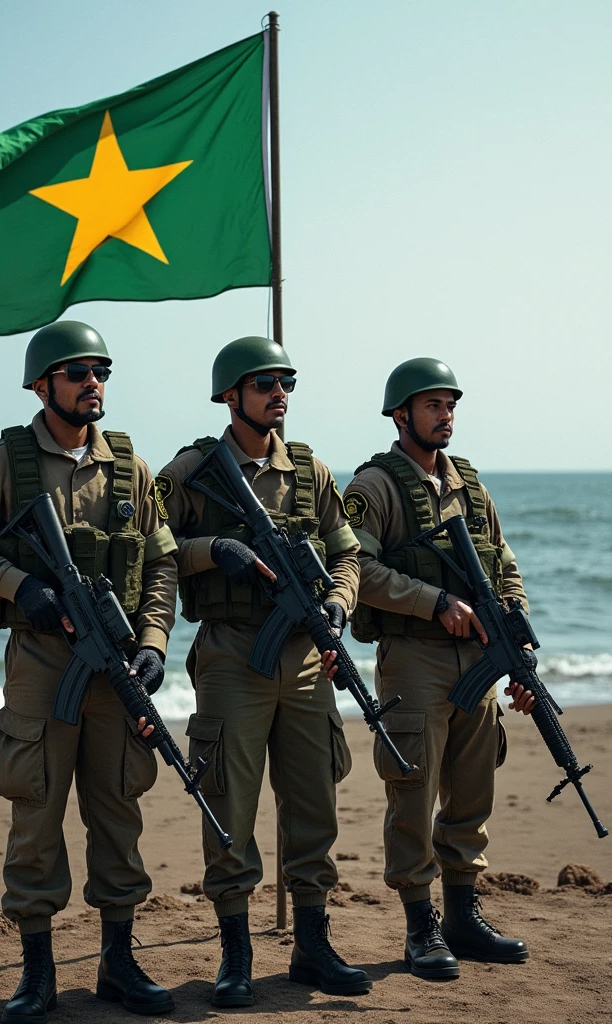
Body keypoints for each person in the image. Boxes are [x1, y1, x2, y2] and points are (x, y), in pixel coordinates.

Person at [0, 320, 179, 1020]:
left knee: (119, 810)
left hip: (116, 668)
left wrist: (154, 640)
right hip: (43, 669)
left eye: (100, 371)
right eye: (77, 372)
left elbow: (161, 561)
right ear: (42, 386)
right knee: (36, 814)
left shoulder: (130, 467)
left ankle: (118, 962)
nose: (92, 382)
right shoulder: (5, 463)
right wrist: (19, 587)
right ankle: (36, 972)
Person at [155, 336, 371, 1006]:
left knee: (314, 802)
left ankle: (312, 944)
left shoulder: (311, 469)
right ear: (230, 395)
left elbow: (348, 554)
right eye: (264, 383)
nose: (279, 394)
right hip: (230, 657)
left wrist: (338, 605)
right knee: (229, 803)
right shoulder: (190, 470)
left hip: (305, 659)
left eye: (287, 383)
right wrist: (210, 549)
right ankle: (236, 951)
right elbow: (147, 551)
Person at [341, 357, 535, 980]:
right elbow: (356, 568)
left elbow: (503, 562)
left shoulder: (469, 485)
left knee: (473, 791)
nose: (445, 415)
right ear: (401, 415)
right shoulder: (374, 486)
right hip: (414, 659)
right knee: (413, 790)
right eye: (433, 405)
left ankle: (462, 917)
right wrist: (434, 601)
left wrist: (519, 642)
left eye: (450, 405)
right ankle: (420, 926)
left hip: (478, 657)